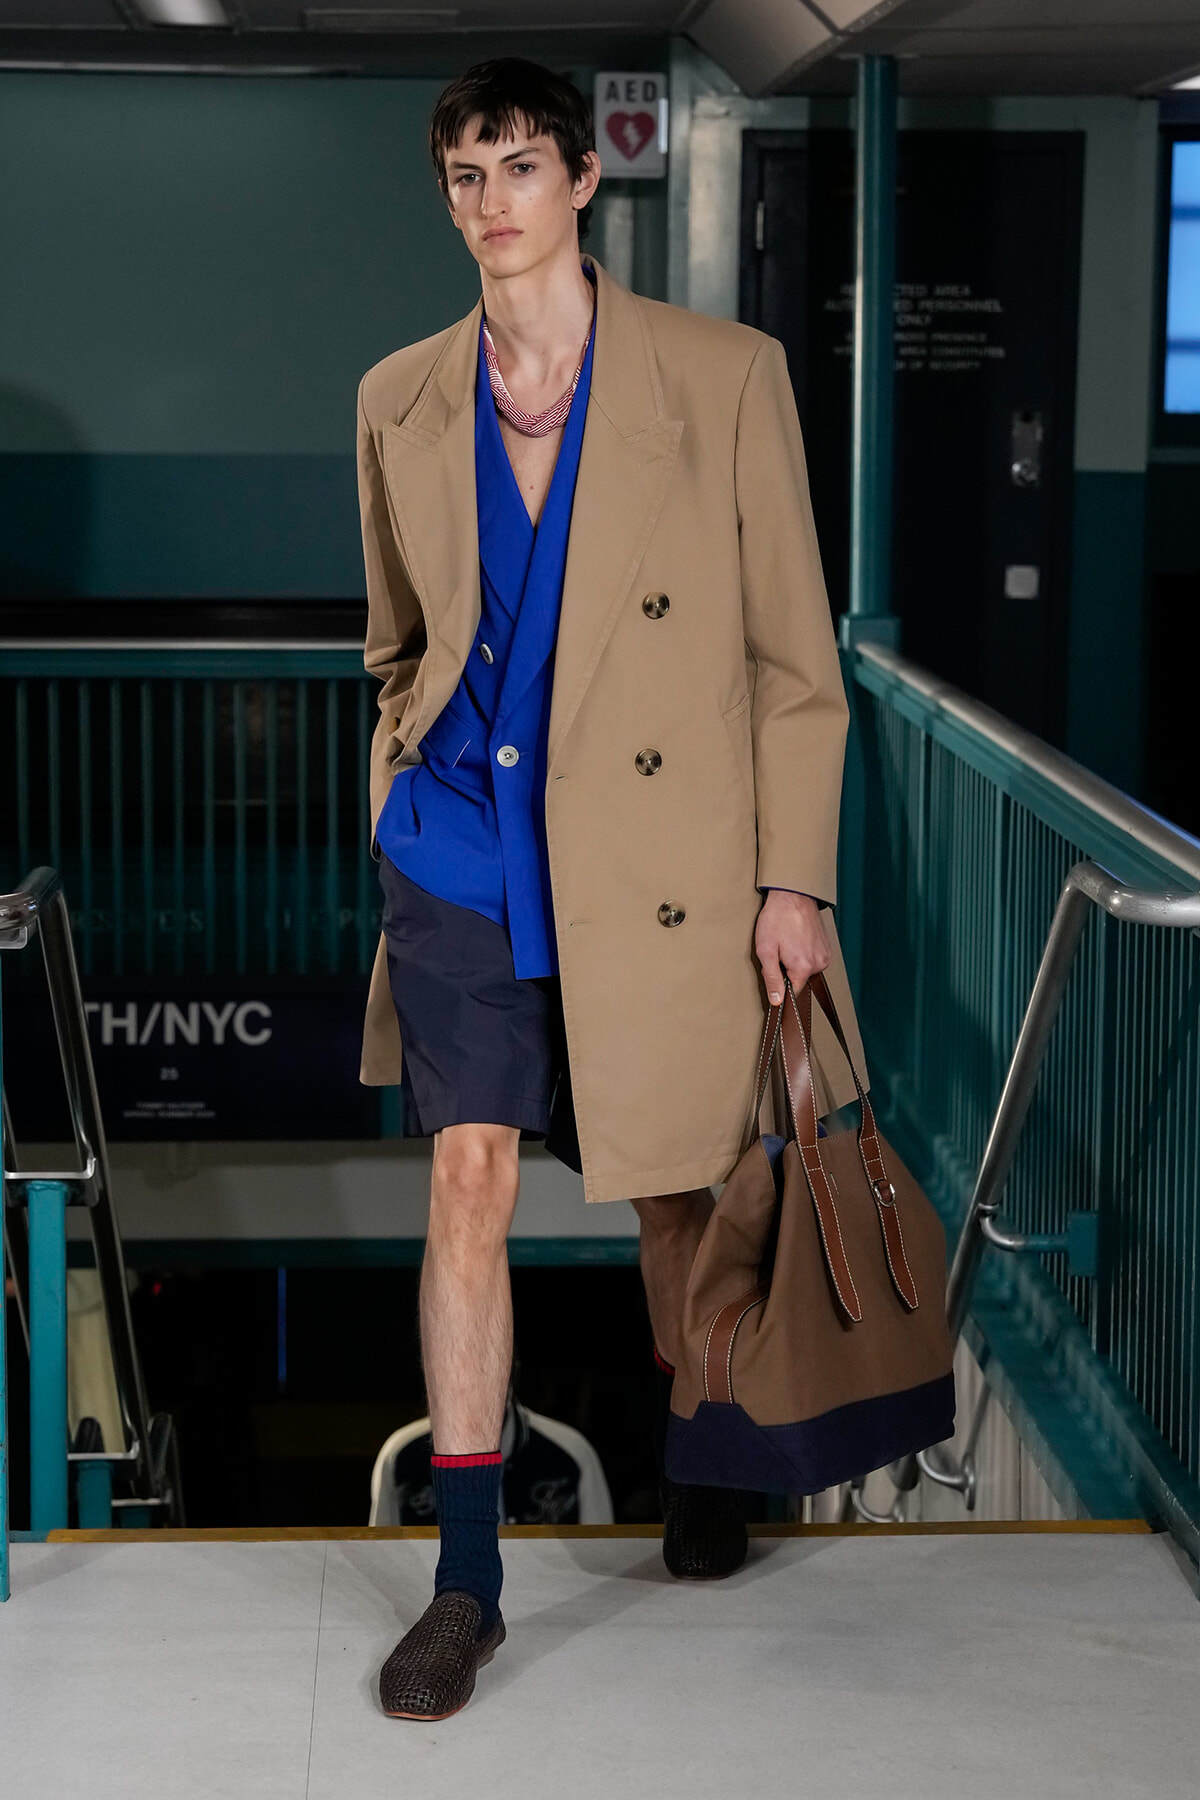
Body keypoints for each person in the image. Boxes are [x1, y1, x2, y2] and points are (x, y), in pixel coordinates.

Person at [356, 56, 866, 1721]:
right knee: (470, 1186)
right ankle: (469, 1577)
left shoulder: (724, 378)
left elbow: (799, 659)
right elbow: (398, 643)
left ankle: (704, 1460)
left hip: (654, 865)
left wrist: (796, 878)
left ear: (584, 181)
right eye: (461, 175)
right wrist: (392, 782)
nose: (489, 200)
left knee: (670, 1187)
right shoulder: (399, 397)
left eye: (516, 165)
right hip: (459, 854)